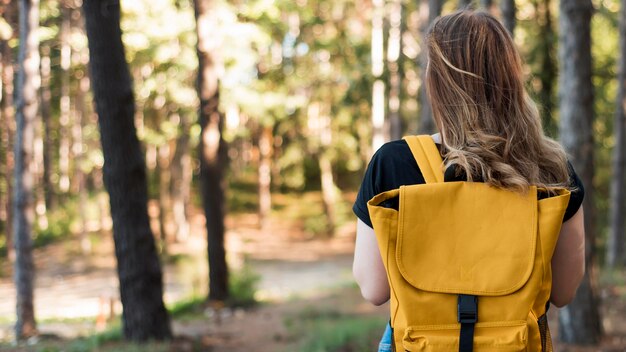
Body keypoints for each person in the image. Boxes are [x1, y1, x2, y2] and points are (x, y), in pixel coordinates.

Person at [351, 9, 585, 351]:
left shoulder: (394, 163)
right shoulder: (551, 168)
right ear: (510, 77)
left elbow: (373, 290)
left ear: (437, 83)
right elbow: (564, 292)